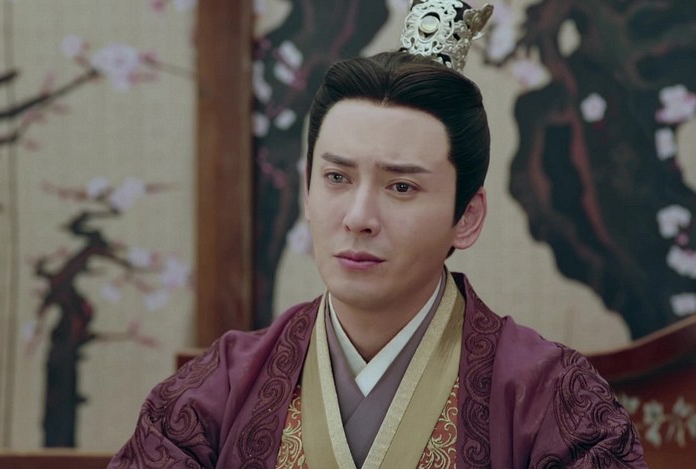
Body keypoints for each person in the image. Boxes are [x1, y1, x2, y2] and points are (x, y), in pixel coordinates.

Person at [109, 1, 647, 467]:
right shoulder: (217, 391)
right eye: (337, 178)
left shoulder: (551, 400)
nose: (359, 216)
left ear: (467, 216)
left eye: (402, 187)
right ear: (307, 190)